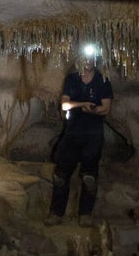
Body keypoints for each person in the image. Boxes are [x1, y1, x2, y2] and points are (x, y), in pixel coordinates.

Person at [44, 52, 113, 227]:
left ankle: (85, 214)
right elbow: (64, 104)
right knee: (61, 175)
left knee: (90, 176)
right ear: (78, 60)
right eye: (85, 58)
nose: (88, 61)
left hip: (93, 134)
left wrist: (93, 111)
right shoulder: (71, 79)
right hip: (73, 131)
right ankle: (56, 213)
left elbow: (106, 108)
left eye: (91, 59)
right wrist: (83, 105)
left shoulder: (103, 80)